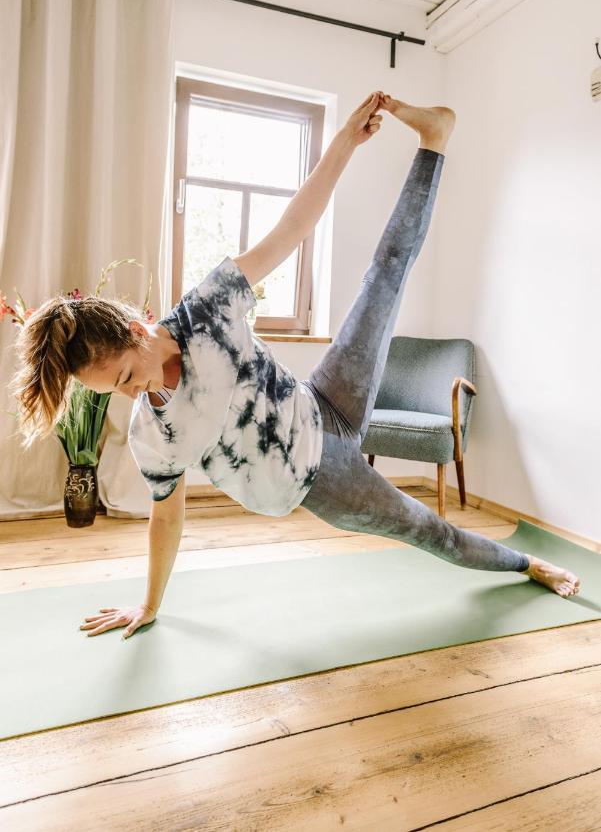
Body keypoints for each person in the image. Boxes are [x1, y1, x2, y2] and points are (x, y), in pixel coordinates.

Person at [9, 92, 580, 640]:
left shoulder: (207, 309)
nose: (136, 394)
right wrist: (149, 604)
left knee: (385, 273)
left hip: (325, 397)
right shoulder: (153, 435)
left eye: (129, 375)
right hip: (320, 482)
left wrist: (343, 145)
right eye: (116, 392)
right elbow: (167, 520)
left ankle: (434, 140)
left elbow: (292, 228)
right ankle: (528, 563)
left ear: (137, 329)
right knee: (431, 532)